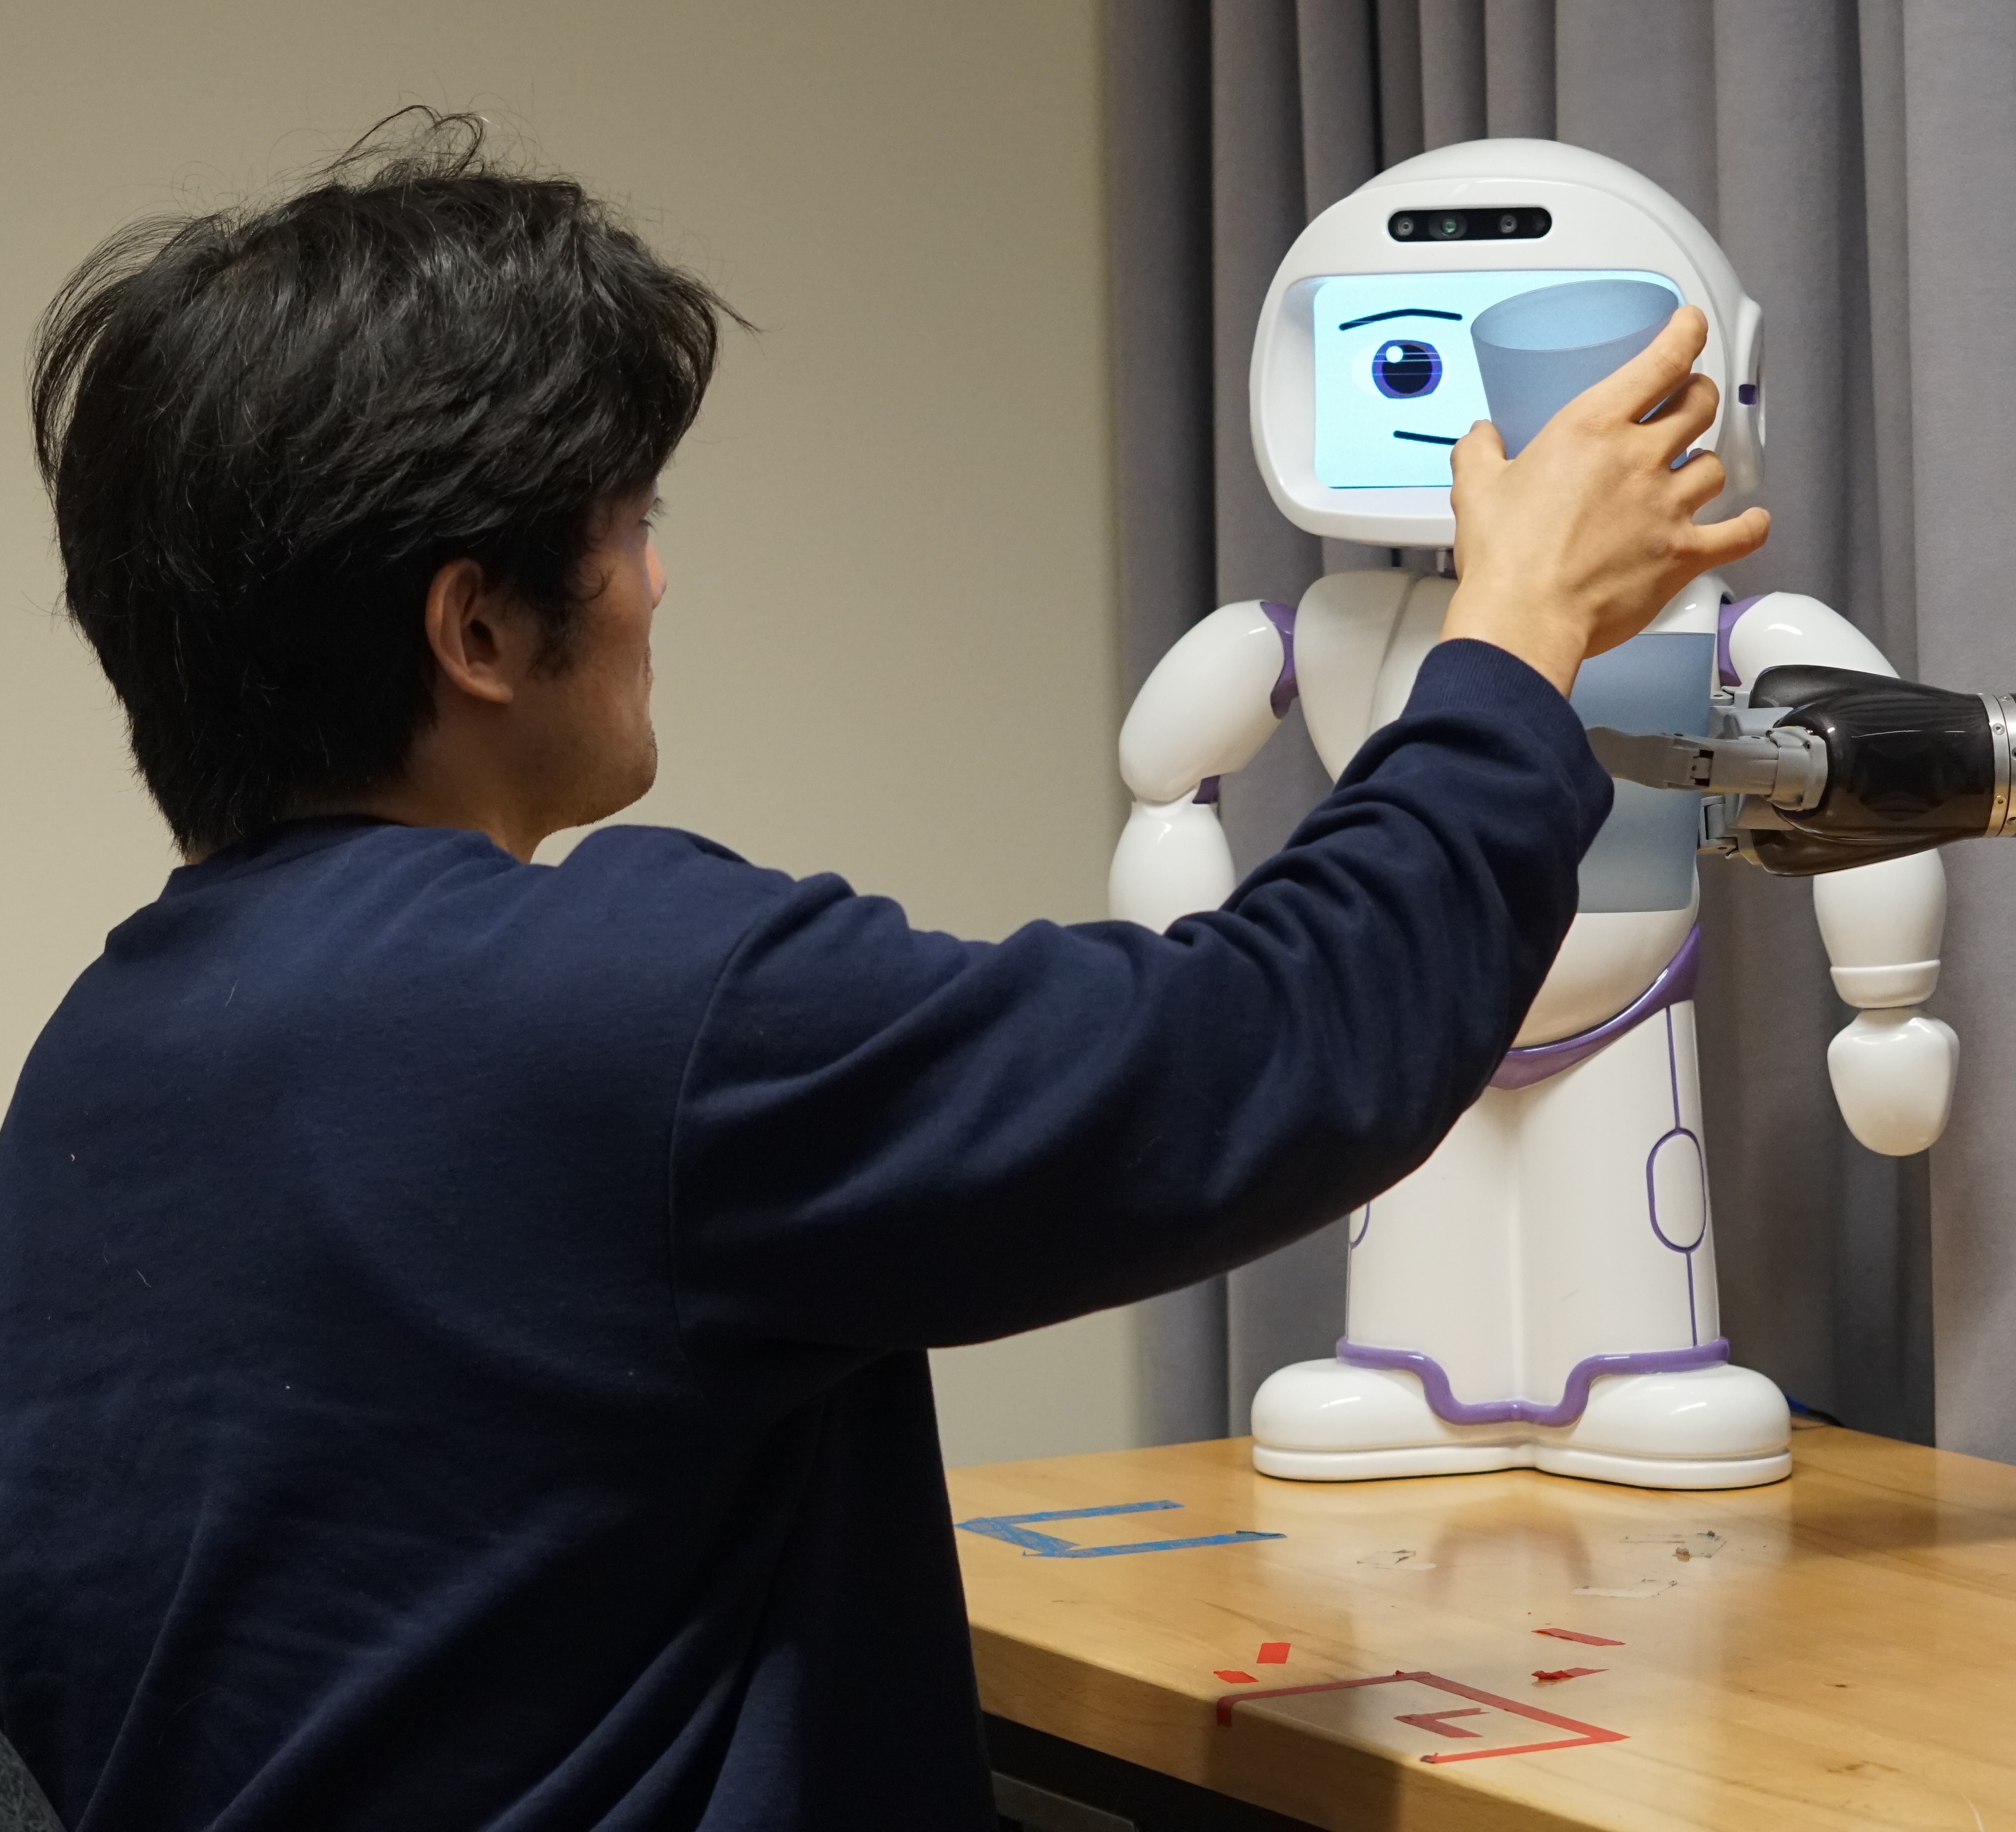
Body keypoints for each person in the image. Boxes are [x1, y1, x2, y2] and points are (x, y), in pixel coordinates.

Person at [0, 118, 1766, 1829]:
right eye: (626, 523)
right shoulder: (619, 1012)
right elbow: (1270, 1044)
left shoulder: (95, 1063)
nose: (656, 577)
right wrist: (1520, 633)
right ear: (476, 630)